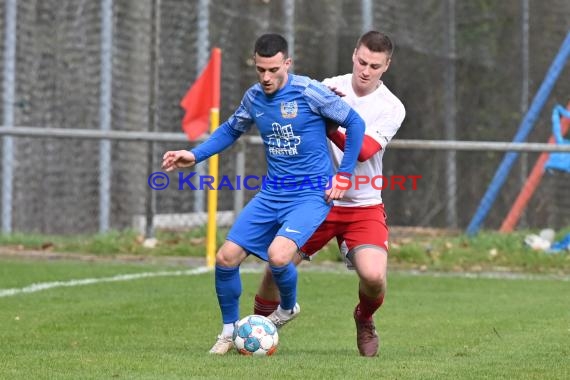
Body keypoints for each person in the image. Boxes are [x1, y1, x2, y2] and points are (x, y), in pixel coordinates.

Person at [161, 33, 365, 355]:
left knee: (279, 256)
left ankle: (286, 308)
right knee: (225, 258)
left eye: (273, 70)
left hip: (311, 194)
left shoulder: (310, 92)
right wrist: (195, 154)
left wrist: (343, 176)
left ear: (287, 64)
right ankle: (229, 331)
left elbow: (354, 123)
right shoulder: (254, 97)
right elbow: (231, 129)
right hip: (272, 193)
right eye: (260, 70)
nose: (266, 77)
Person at [253, 31, 406, 357]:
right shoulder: (325, 88)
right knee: (275, 265)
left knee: (374, 276)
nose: (365, 70)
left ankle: (364, 318)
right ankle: (256, 327)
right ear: (354, 55)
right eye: (362, 61)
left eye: (374, 66)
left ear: (386, 66)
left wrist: (330, 127)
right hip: (317, 200)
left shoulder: (391, 107)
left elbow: (363, 149)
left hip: (363, 205)